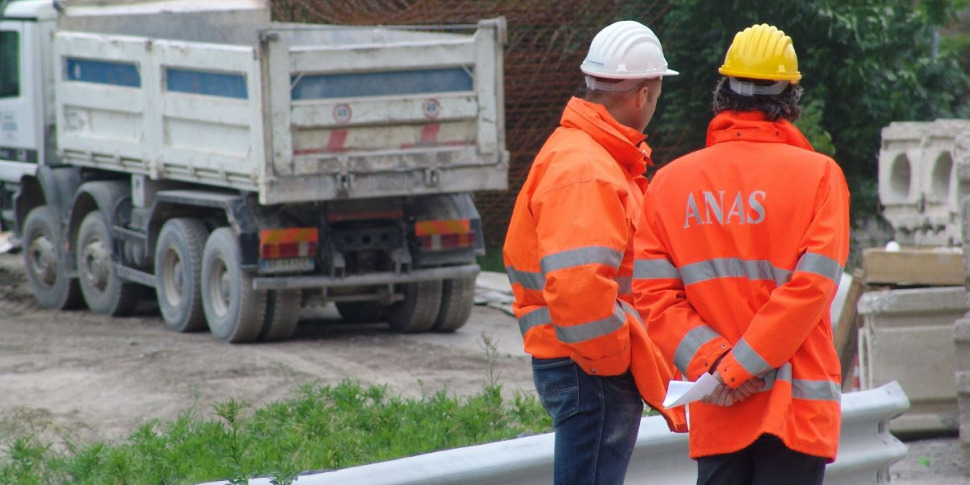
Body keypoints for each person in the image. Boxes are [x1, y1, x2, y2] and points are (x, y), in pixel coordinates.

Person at [632, 24, 850, 485]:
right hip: (795, 410)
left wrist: (717, 363)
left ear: (722, 91)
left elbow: (653, 298)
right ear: (790, 96)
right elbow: (810, 289)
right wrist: (740, 366)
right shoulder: (820, 178)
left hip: (718, 409)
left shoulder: (670, 184)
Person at [503, 20, 685, 485]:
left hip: (583, 363)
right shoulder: (588, 168)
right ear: (643, 94)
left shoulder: (590, 157)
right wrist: (614, 359)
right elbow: (580, 287)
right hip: (591, 367)